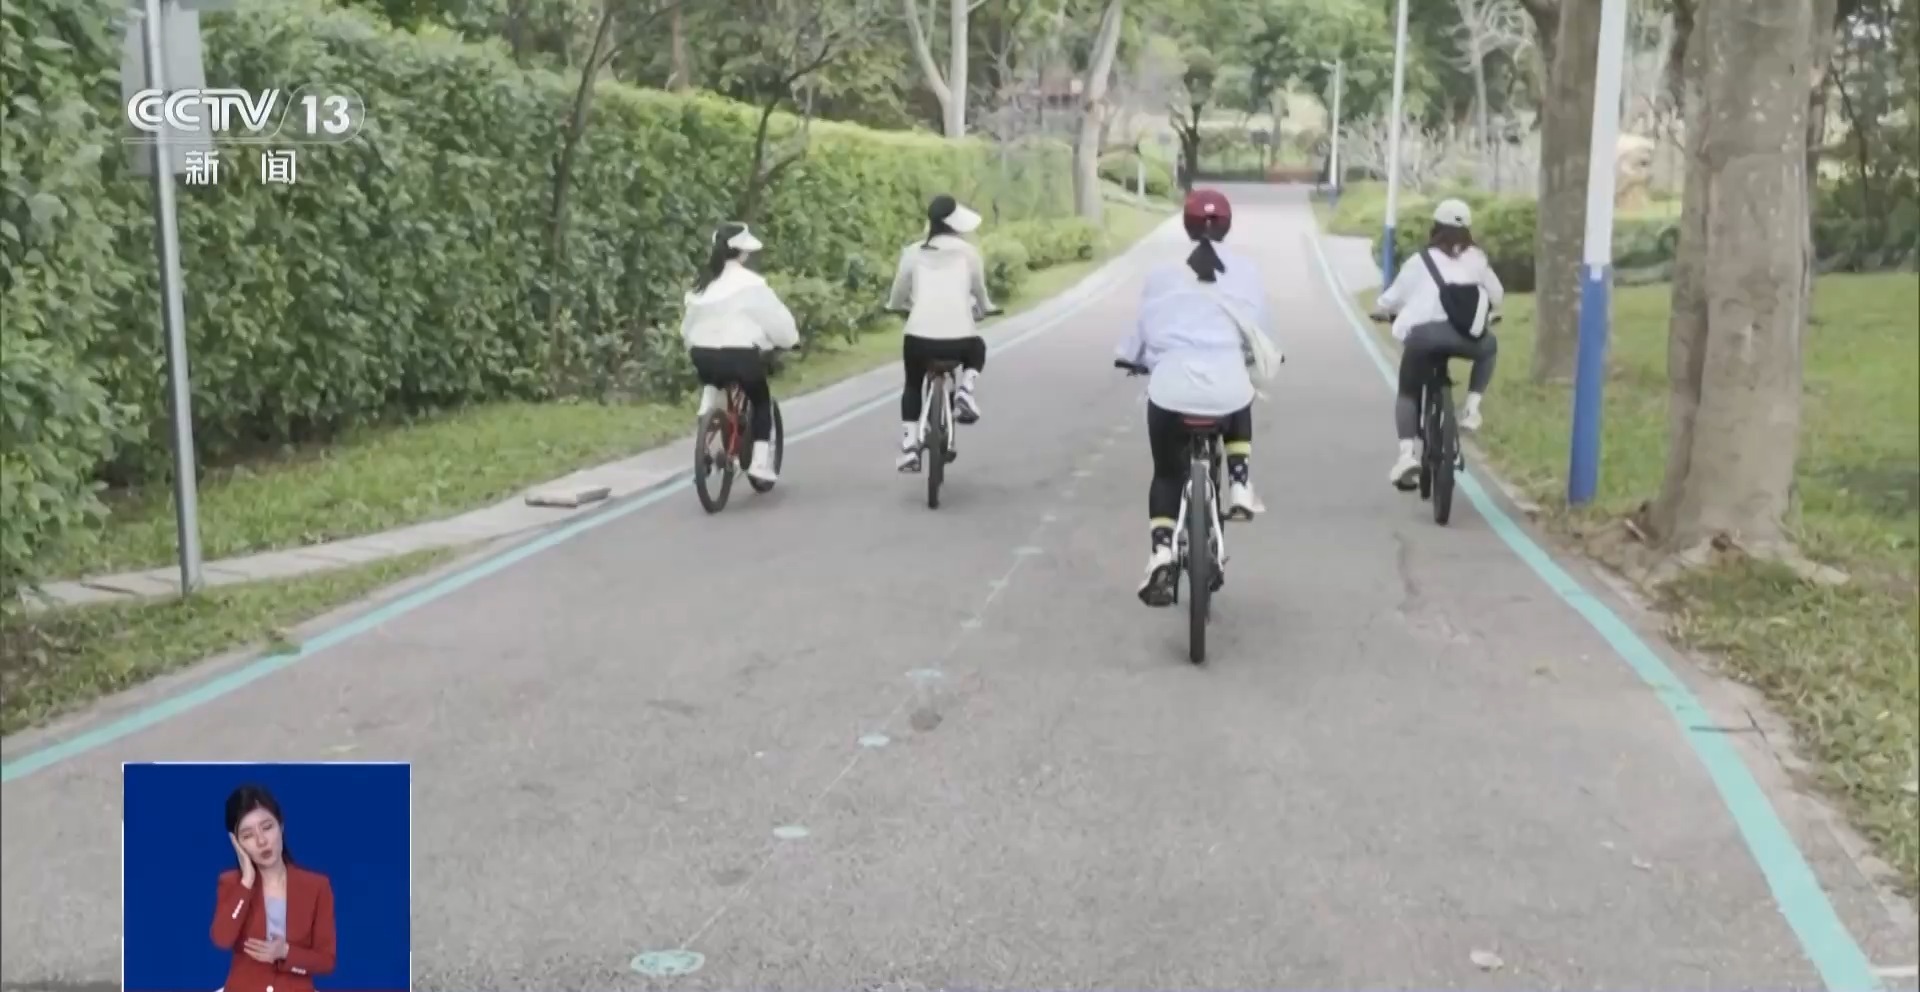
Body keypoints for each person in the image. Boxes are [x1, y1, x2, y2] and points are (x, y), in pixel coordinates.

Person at [1114, 188, 1282, 607]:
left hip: (1171, 391)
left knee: (1167, 474)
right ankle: (1240, 482)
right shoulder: (1247, 272)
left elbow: (1139, 335)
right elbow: (1262, 331)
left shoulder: (1160, 275)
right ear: (1227, 226)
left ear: (1186, 225)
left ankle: (1160, 553)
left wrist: (1131, 358)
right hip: (1227, 389)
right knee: (1239, 392)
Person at [1371, 198, 1503, 490]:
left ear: (1435, 228)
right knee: (1489, 347)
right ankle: (1472, 409)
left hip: (1424, 338)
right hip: (1466, 338)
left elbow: (1391, 299)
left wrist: (1381, 310)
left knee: (1408, 391)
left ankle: (1407, 456)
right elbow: (1497, 294)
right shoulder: (1477, 259)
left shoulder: (1420, 261)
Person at [680, 222, 801, 485]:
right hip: (740, 357)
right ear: (743, 252)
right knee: (760, 399)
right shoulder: (752, 284)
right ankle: (759, 464)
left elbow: (687, 328)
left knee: (713, 382)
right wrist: (790, 341)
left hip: (702, 355)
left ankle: (705, 434)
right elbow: (777, 320)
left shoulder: (701, 284)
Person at [886, 194, 996, 472]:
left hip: (919, 339)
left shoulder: (913, 253)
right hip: (960, 341)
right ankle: (966, 389)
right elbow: (980, 292)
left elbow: (897, 295)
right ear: (956, 225)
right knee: (977, 348)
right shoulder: (969, 253)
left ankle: (910, 446)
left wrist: (897, 307)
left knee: (913, 384)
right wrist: (987, 308)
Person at [210, 784, 336, 992]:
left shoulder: (316, 887)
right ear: (237, 844)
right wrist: (247, 882)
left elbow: (326, 961)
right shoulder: (232, 883)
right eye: (248, 835)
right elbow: (222, 939)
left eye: (267, 827)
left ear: (281, 826)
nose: (261, 841)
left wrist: (285, 952)